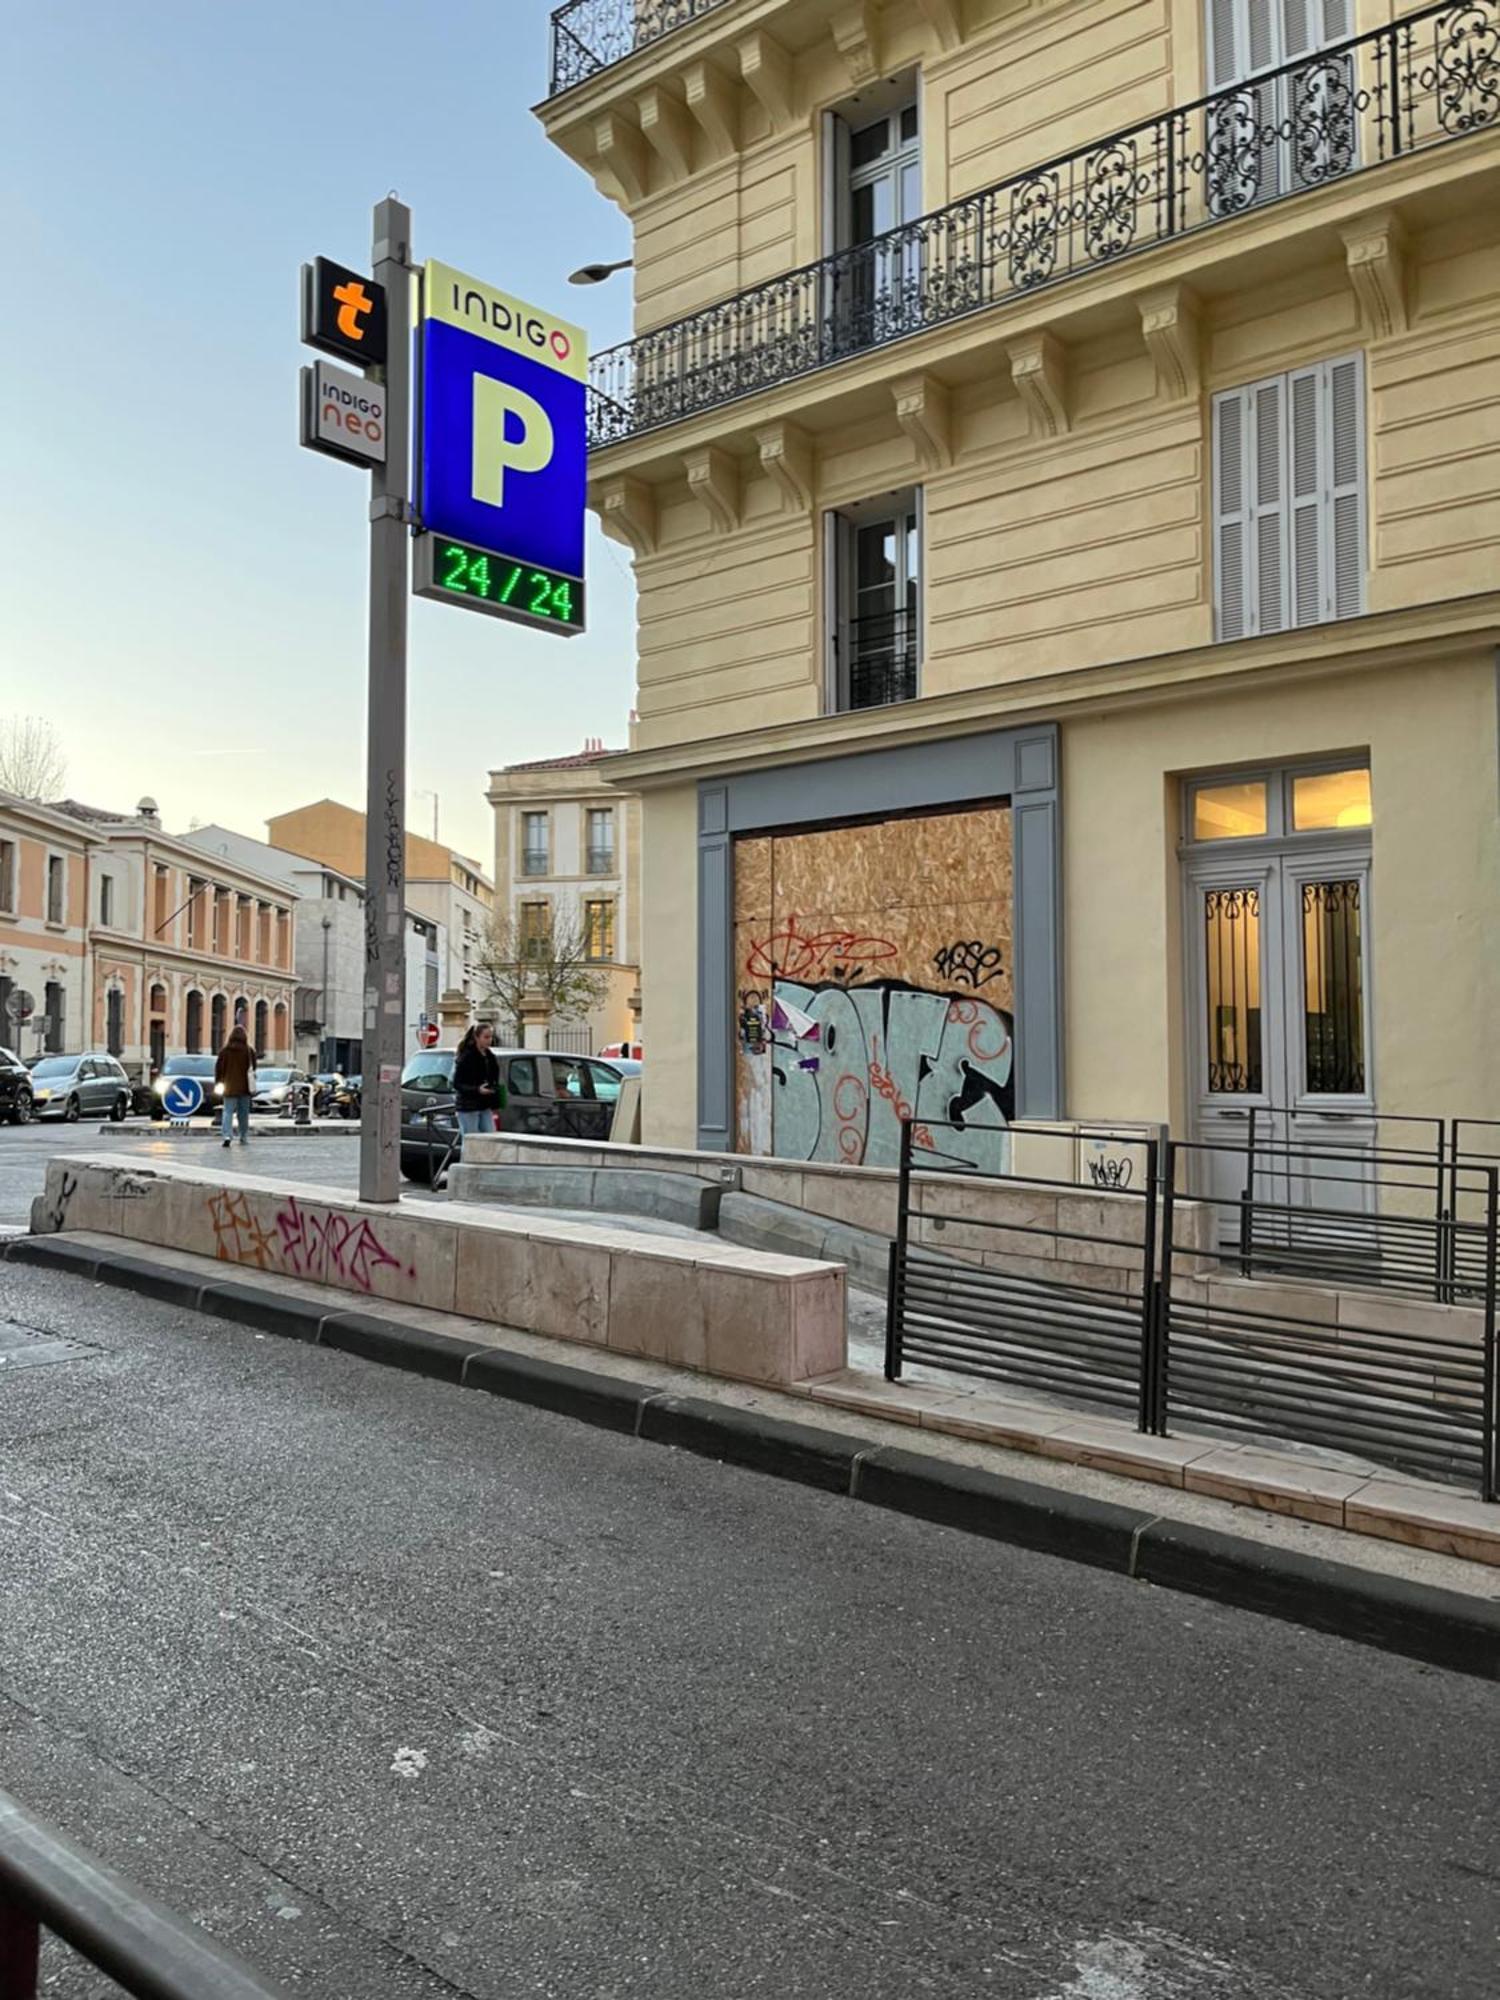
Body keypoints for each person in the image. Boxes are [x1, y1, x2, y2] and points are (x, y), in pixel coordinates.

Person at [452, 1022, 506, 1142]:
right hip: (468, 1106)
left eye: (490, 1037)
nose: (489, 1040)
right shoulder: (467, 1057)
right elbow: (457, 1083)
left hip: (484, 1105)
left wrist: (494, 1092)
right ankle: (467, 1161)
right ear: (477, 1037)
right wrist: (477, 1089)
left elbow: (493, 1078)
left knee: (490, 1138)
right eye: (486, 1037)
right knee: (471, 1142)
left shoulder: (490, 1057)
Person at [215, 1025, 256, 1148]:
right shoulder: (249, 1051)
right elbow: (253, 1068)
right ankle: (243, 1136)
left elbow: (218, 1069)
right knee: (243, 1114)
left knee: (227, 1111)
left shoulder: (224, 1051)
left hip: (229, 1086)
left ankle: (227, 1135)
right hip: (245, 1087)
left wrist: (219, 1082)